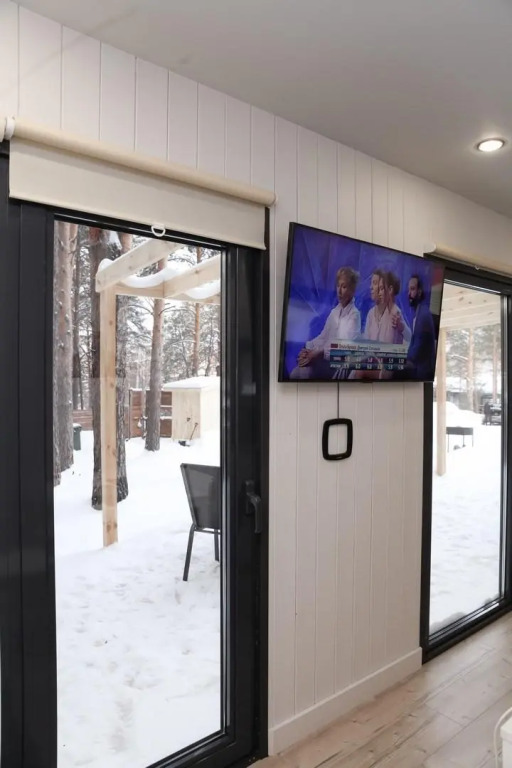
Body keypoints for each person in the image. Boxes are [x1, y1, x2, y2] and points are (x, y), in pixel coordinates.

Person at [290, 266, 361, 379]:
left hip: (336, 364)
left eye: (344, 287)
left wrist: (318, 353)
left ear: (352, 291)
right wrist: (307, 349)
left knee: (303, 373)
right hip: (324, 359)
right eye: (338, 286)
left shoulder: (354, 315)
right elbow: (323, 336)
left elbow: (344, 347)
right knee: (295, 372)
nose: (339, 291)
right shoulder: (334, 312)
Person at [405, 274, 436, 380]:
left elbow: (417, 350)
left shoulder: (423, 315)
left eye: (412, 289)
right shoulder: (418, 313)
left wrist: (402, 363)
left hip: (421, 372)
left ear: (419, 292)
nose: (409, 293)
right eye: (408, 290)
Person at [364, 269, 393, 342]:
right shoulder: (370, 314)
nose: (371, 287)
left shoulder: (394, 313)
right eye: (371, 283)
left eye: (374, 283)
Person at [384, 271, 411, 346]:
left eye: (382, 288)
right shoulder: (381, 311)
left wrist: (402, 327)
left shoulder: (396, 313)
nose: (380, 292)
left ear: (390, 290)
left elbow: (409, 338)